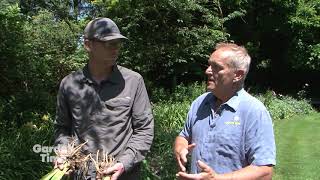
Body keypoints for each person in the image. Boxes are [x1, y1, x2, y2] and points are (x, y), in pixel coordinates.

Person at [53, 17, 154, 180]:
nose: (115, 49)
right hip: (81, 175)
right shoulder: (69, 84)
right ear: (88, 45)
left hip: (122, 175)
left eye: (117, 43)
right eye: (108, 43)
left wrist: (124, 163)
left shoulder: (133, 81)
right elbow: (62, 128)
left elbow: (144, 130)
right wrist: (64, 152)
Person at [174, 43, 276, 179]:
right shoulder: (200, 103)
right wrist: (180, 148)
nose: (208, 71)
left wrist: (217, 178)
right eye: (209, 65)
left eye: (217, 67)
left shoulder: (254, 111)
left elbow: (264, 171)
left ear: (238, 75)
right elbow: (184, 136)